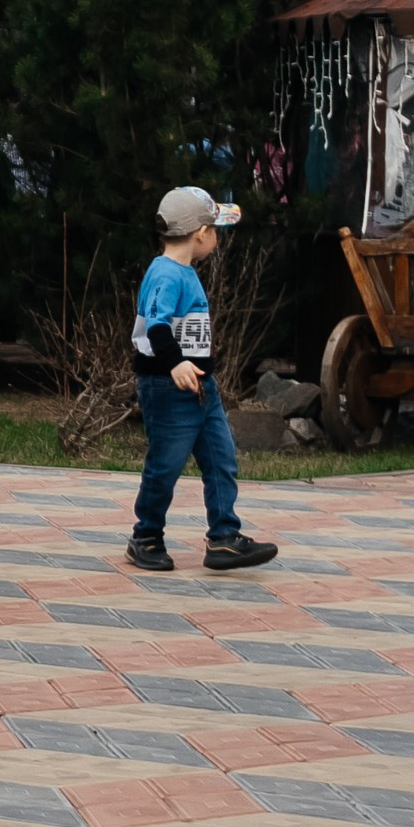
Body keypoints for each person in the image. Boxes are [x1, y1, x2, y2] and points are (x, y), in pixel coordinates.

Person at [126, 189, 281, 572]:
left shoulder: (184, 272)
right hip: (168, 389)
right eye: (216, 229)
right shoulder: (166, 273)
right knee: (165, 465)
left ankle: (225, 538)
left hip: (201, 389)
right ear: (200, 233)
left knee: (221, 460)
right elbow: (158, 328)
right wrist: (176, 365)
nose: (217, 237)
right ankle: (145, 536)